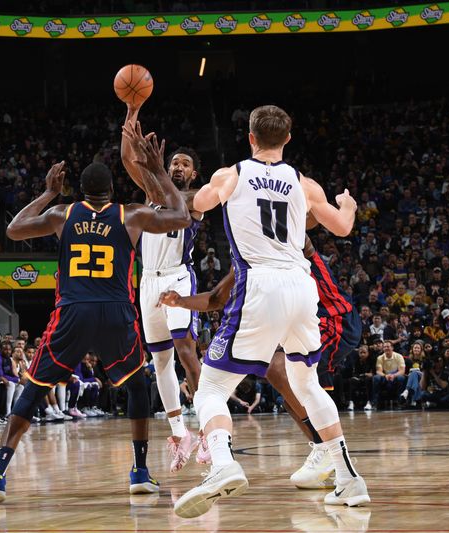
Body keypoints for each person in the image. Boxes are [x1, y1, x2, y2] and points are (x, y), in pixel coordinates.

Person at [0, 126, 192, 505]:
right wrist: (156, 170)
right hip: (116, 311)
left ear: (82, 190)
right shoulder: (132, 215)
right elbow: (182, 217)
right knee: (137, 387)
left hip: (72, 311)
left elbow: (13, 229)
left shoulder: (62, 213)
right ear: (111, 191)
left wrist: (47, 193)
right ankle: (139, 472)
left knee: (34, 389)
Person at [170, 105, 367, 518]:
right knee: (307, 383)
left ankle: (222, 465)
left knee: (210, 388)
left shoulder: (232, 174)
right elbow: (343, 227)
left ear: (251, 138)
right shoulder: (303, 182)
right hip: (301, 284)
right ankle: (350, 478)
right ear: (288, 139)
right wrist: (347, 204)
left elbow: (197, 205)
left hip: (260, 284)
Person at [160, 231, 362, 490]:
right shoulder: (247, 253)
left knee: (288, 376)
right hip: (296, 314)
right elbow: (217, 297)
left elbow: (310, 223)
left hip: (333, 316)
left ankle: (331, 455)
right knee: (284, 383)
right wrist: (181, 302)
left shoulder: (282, 235)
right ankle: (330, 458)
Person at [121, 103, 203, 472]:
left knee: (186, 350)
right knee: (160, 361)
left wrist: (155, 171)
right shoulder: (153, 190)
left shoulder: (194, 199)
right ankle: (178, 432)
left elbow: (178, 202)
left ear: (194, 172)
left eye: (184, 163)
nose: (177, 166)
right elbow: (127, 158)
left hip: (177, 277)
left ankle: (210, 430)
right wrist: (131, 113)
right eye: (174, 162)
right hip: (148, 280)